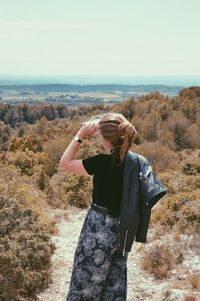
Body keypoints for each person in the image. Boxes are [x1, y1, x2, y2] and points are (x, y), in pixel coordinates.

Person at [59, 112, 137, 301]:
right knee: (113, 284)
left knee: (85, 281)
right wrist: (107, 121)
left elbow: (65, 163)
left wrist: (80, 135)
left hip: (98, 227)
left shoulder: (102, 162)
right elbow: (121, 123)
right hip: (123, 228)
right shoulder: (133, 161)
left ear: (106, 138)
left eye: (98, 133)